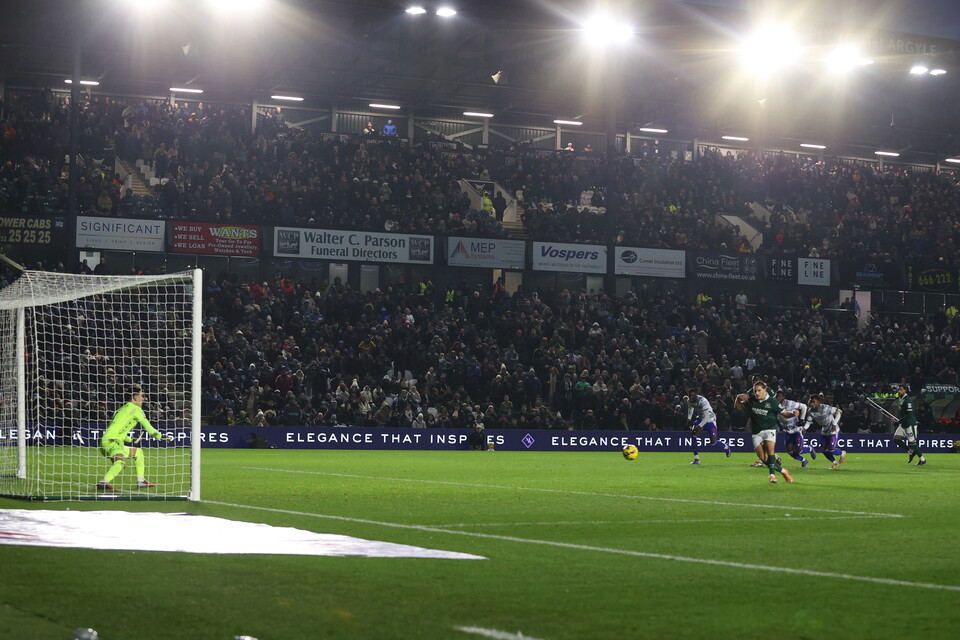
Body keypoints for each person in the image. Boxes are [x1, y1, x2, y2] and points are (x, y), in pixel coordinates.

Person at [96, 389, 173, 491]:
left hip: (107, 441)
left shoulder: (120, 409)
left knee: (138, 452)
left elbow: (115, 429)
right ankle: (104, 482)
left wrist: (130, 438)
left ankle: (141, 481)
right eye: (142, 395)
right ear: (135, 397)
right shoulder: (136, 410)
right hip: (113, 442)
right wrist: (161, 436)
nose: (143, 398)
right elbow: (148, 427)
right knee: (120, 463)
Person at [735, 380, 793, 483]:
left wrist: (793, 413)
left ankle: (772, 475)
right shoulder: (752, 400)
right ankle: (783, 471)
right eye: (755, 391)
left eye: (759, 391)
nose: (757, 393)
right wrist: (738, 398)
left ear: (764, 390)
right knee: (762, 457)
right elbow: (738, 407)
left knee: (770, 450)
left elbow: (785, 413)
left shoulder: (773, 402)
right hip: (756, 432)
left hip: (769, 429)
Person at [687, 388, 731, 465]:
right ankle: (696, 458)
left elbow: (707, 417)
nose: (691, 397)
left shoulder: (702, 401)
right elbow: (690, 408)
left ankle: (726, 447)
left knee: (713, 442)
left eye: (693, 395)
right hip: (700, 418)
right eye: (690, 395)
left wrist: (699, 426)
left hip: (710, 419)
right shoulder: (689, 401)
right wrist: (689, 418)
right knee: (693, 434)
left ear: (696, 395)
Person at [776, 389, 815, 469]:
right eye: (777, 396)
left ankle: (810, 448)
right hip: (787, 431)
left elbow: (804, 406)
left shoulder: (790, 403)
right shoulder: (775, 405)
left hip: (796, 430)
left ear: (783, 397)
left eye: (780, 396)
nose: (778, 398)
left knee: (799, 450)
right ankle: (804, 460)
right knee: (789, 451)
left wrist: (802, 419)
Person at [804, 394, 845, 469]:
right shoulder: (810, 411)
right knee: (824, 450)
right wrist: (805, 428)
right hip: (824, 431)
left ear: (819, 402)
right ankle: (835, 463)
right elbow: (808, 422)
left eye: (814, 402)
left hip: (833, 430)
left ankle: (842, 453)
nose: (812, 404)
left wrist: (834, 423)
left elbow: (839, 412)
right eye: (811, 402)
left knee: (831, 449)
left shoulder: (825, 408)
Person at [893, 383, 927, 465]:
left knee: (912, 442)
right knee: (896, 439)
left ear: (905, 390)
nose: (899, 391)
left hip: (909, 424)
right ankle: (910, 451)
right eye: (898, 389)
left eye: (901, 389)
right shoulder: (901, 399)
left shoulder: (907, 400)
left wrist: (900, 420)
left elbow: (909, 414)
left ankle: (922, 459)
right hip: (903, 423)